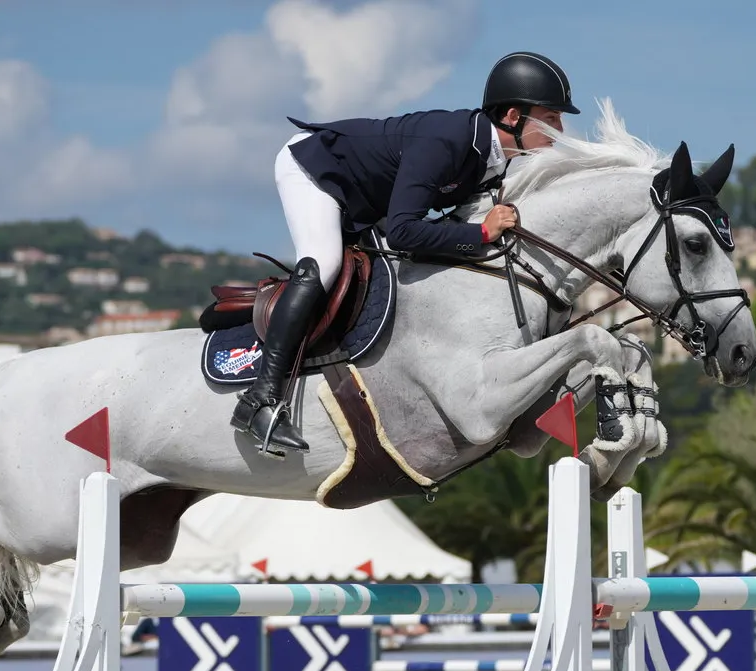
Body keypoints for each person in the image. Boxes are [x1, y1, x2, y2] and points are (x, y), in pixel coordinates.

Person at [230, 51, 580, 454]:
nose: (560, 131)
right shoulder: (446, 142)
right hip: (319, 171)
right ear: (514, 117)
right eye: (551, 118)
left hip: (370, 201)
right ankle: (260, 400)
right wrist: (483, 231)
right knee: (323, 265)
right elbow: (402, 232)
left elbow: (446, 230)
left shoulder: (497, 160)